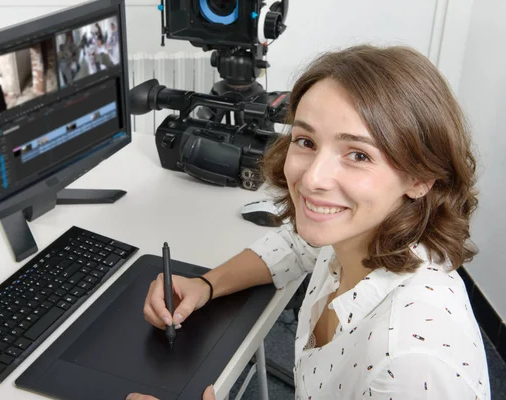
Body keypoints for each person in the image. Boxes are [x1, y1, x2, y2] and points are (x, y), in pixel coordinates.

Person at [128, 44, 490, 399]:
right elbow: (294, 245)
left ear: (420, 179)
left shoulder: (410, 366)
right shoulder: (356, 238)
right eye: (306, 141)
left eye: (358, 154)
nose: (313, 178)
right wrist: (205, 285)